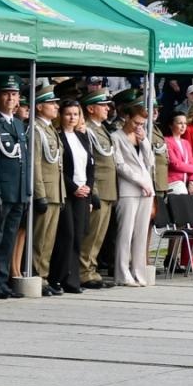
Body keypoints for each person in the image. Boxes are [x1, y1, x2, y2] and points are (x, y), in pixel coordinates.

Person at [0, 76, 31, 298]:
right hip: (3, 190)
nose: (11, 98)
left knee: (9, 238)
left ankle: (2, 279)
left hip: (18, 191)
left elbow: (25, 161)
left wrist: (27, 191)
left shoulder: (18, 124)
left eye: (14, 94)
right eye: (6, 93)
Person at [51, 100, 93, 294]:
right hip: (67, 192)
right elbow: (58, 168)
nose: (72, 118)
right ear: (61, 115)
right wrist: (74, 187)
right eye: (68, 114)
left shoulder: (82, 137)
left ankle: (73, 280)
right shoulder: (58, 136)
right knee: (66, 235)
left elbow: (90, 165)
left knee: (78, 236)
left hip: (83, 192)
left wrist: (88, 187)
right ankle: (57, 277)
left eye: (75, 114)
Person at [79, 87, 118, 288]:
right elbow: (88, 162)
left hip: (108, 188)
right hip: (98, 188)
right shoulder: (86, 129)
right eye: (102, 105)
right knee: (92, 234)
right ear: (91, 108)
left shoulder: (101, 128)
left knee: (100, 235)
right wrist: (92, 190)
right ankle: (83, 271)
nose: (107, 108)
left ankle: (91, 269)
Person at [112, 107, 156, 287]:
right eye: (136, 122)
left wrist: (144, 140)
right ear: (127, 117)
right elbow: (120, 165)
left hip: (146, 189)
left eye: (142, 124)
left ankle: (139, 271)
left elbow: (150, 161)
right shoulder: (116, 137)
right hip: (129, 188)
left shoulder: (141, 136)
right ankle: (122, 273)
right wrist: (140, 181)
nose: (138, 126)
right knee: (126, 232)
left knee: (141, 232)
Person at [30, 85, 65, 295]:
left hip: (55, 192)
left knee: (48, 240)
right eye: (51, 103)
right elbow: (36, 165)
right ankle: (37, 276)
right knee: (40, 239)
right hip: (45, 191)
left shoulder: (50, 128)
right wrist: (40, 194)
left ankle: (43, 275)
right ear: (39, 106)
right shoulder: (36, 129)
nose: (56, 106)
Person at [163, 110, 193, 193]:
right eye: (179, 123)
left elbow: (191, 162)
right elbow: (175, 164)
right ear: (171, 125)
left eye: (185, 123)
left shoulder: (186, 143)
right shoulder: (166, 141)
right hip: (172, 183)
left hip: (185, 183)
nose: (183, 126)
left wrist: (192, 182)